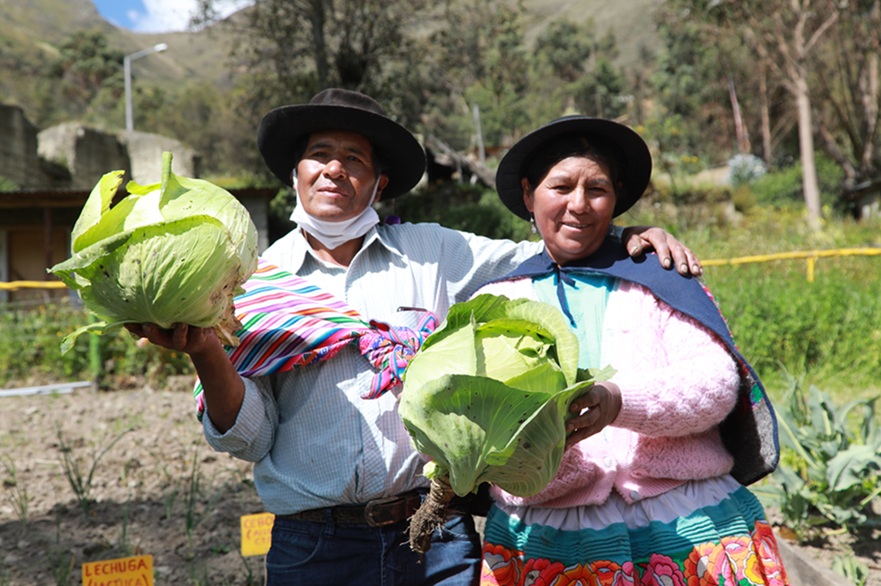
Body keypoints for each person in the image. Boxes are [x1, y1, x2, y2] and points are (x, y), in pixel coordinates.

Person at [127, 89, 704, 585]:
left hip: (435, 534)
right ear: (295, 174)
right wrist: (205, 351)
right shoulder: (253, 284)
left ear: (378, 182)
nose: (335, 169)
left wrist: (632, 234)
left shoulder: (435, 252)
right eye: (319, 155)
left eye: (354, 158)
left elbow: (554, 248)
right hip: (313, 547)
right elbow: (250, 439)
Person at [471, 115, 788, 585]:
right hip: (546, 541)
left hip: (691, 525)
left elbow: (716, 384)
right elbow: (486, 432)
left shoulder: (661, 279)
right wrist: (557, 458)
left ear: (616, 196)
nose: (578, 205)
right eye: (560, 187)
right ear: (527, 194)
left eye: (596, 189)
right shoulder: (495, 303)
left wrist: (618, 402)